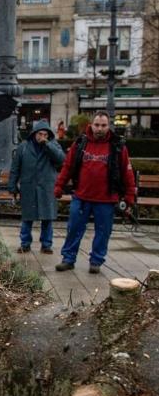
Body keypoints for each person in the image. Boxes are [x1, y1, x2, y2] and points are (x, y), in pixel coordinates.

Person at [53, 110, 136, 274]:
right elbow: (67, 167)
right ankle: (68, 259)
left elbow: (127, 173)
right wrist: (59, 186)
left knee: (103, 232)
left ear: (108, 126)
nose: (99, 128)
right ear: (91, 125)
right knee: (74, 228)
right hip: (82, 196)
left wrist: (129, 197)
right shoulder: (80, 143)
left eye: (103, 125)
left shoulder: (118, 146)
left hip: (106, 199)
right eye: (97, 125)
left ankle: (96, 261)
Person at [8, 120, 65, 254]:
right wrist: (12, 187)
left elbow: (62, 160)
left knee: (47, 218)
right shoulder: (24, 147)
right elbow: (15, 168)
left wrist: (48, 146)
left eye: (45, 134)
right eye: (40, 134)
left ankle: (46, 244)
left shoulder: (53, 145)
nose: (42, 137)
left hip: (46, 187)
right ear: (34, 134)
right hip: (29, 187)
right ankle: (25, 243)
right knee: (27, 218)